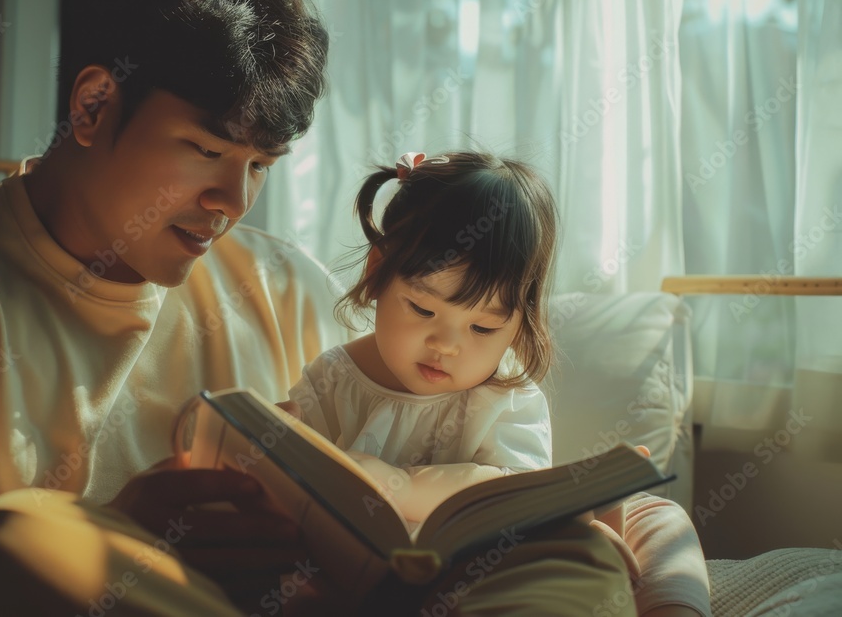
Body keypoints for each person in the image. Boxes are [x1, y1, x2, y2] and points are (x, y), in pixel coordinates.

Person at [0, 0, 638, 616]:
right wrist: (117, 526)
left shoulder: (282, 279)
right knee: (25, 539)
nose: (233, 201)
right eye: (203, 150)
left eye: (260, 166)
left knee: (581, 551)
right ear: (93, 105)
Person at [283, 151, 712, 617]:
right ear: (377, 272)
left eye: (483, 329)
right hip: (366, 583)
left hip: (487, 573)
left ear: (519, 324)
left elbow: (515, 494)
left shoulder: (504, 395)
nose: (446, 345)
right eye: (423, 310)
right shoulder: (334, 380)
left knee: (656, 517)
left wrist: (400, 488)